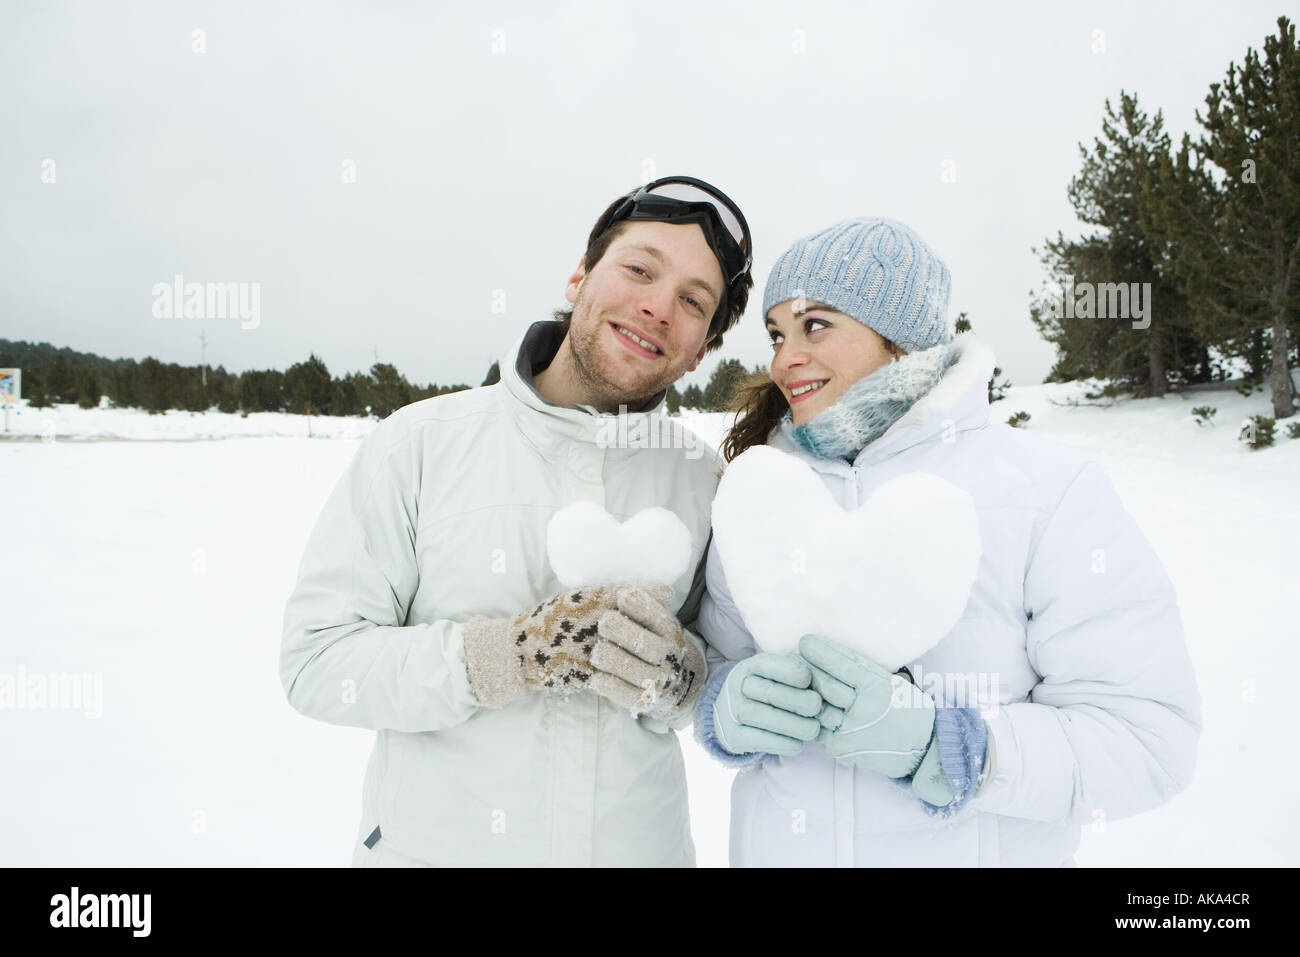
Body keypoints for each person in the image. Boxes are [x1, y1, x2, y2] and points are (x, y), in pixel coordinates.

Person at [693, 217, 1202, 867]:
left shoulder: (1046, 493)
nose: (783, 357)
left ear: (901, 339)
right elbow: (717, 663)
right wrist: (726, 705)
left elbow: (1149, 737)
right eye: (776, 333)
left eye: (815, 325)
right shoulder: (763, 493)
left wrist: (958, 750)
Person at [280, 176, 754, 866]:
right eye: (639, 269)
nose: (657, 306)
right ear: (579, 276)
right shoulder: (420, 444)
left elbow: (728, 687)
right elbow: (317, 663)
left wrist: (684, 681)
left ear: (704, 347)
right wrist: (507, 656)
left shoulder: (706, 482)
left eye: (692, 302)